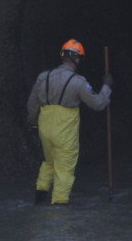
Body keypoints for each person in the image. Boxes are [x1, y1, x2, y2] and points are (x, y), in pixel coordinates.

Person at [27, 39, 112, 205]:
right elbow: (98, 104)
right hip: (64, 129)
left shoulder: (43, 77)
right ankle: (60, 211)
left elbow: (32, 105)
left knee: (48, 162)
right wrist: (107, 87)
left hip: (45, 127)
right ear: (77, 59)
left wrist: (34, 124)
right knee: (64, 168)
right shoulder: (78, 82)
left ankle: (39, 202)